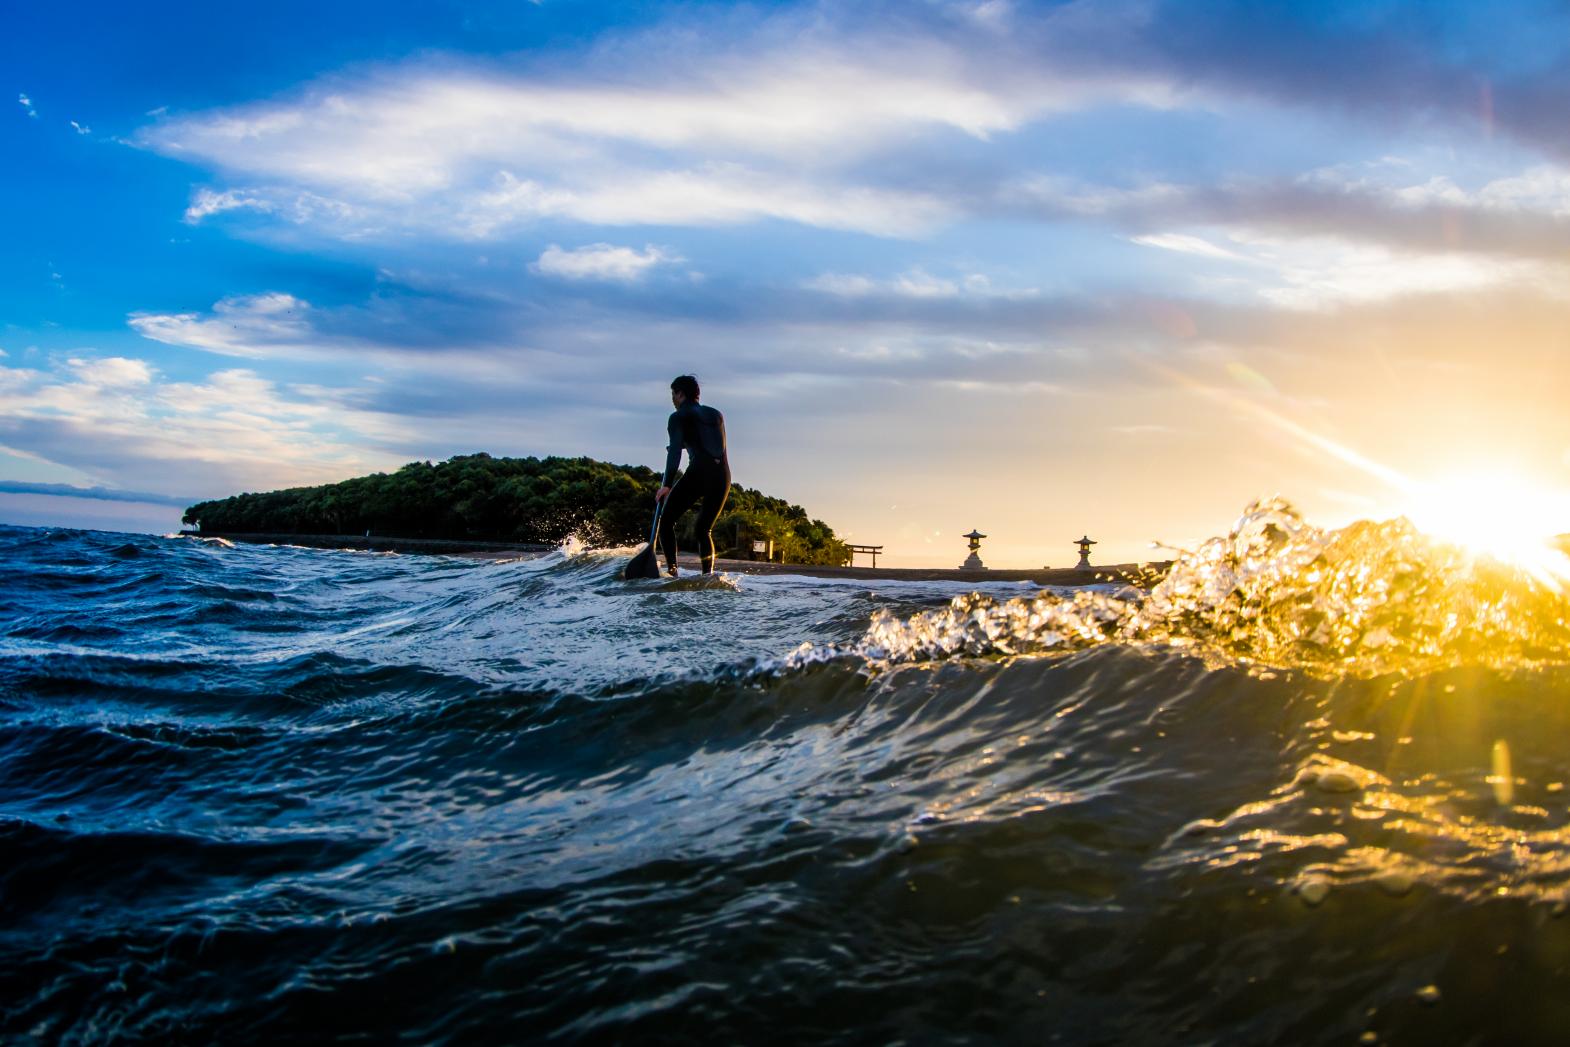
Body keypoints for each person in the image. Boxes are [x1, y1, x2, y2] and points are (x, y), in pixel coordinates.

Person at [656, 374, 730, 576]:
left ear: (680, 394)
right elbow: (710, 446)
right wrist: (681, 443)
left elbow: (675, 453)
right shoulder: (716, 415)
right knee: (703, 530)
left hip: (699, 473)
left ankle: (672, 571)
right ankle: (708, 577)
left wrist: (667, 485)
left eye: (673, 394)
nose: (672, 399)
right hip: (723, 476)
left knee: (666, 522)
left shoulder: (678, 416)